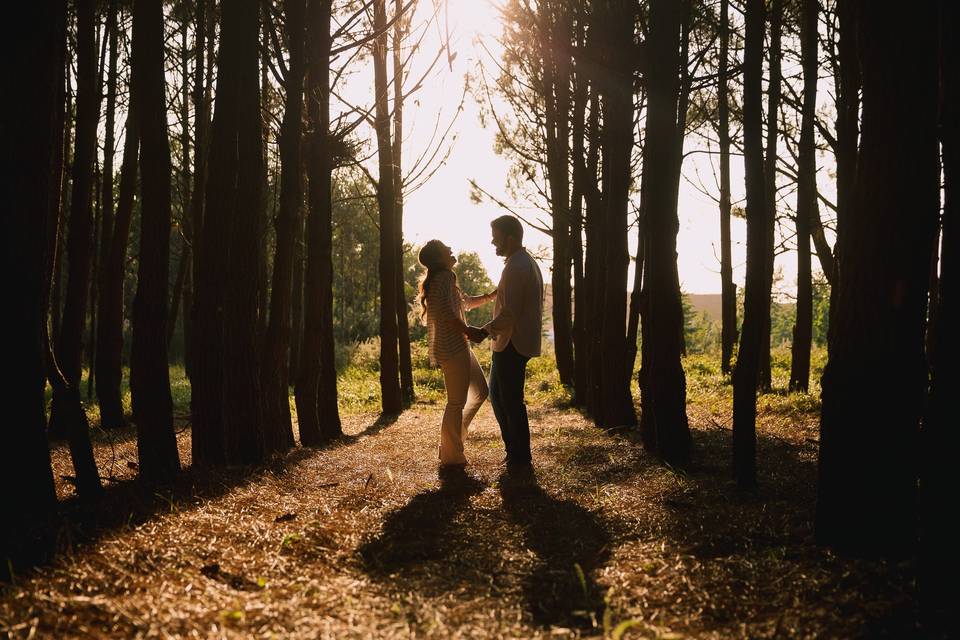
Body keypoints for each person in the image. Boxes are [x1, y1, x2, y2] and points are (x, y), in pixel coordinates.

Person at [418, 240, 496, 468]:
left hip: (458, 345)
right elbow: (446, 312)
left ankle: (452, 443)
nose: (451, 250)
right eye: (445, 249)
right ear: (438, 257)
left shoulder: (444, 279)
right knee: (456, 403)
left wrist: (491, 296)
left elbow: (464, 304)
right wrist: (468, 330)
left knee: (481, 391)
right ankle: (451, 456)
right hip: (452, 346)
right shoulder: (444, 277)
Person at [475, 215, 544, 467]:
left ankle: (520, 456)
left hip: (512, 342)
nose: (493, 242)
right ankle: (514, 451)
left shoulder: (517, 267)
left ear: (510, 238)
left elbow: (509, 313)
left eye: (497, 237)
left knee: (510, 401)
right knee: (499, 396)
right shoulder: (522, 262)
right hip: (509, 341)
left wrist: (483, 331)